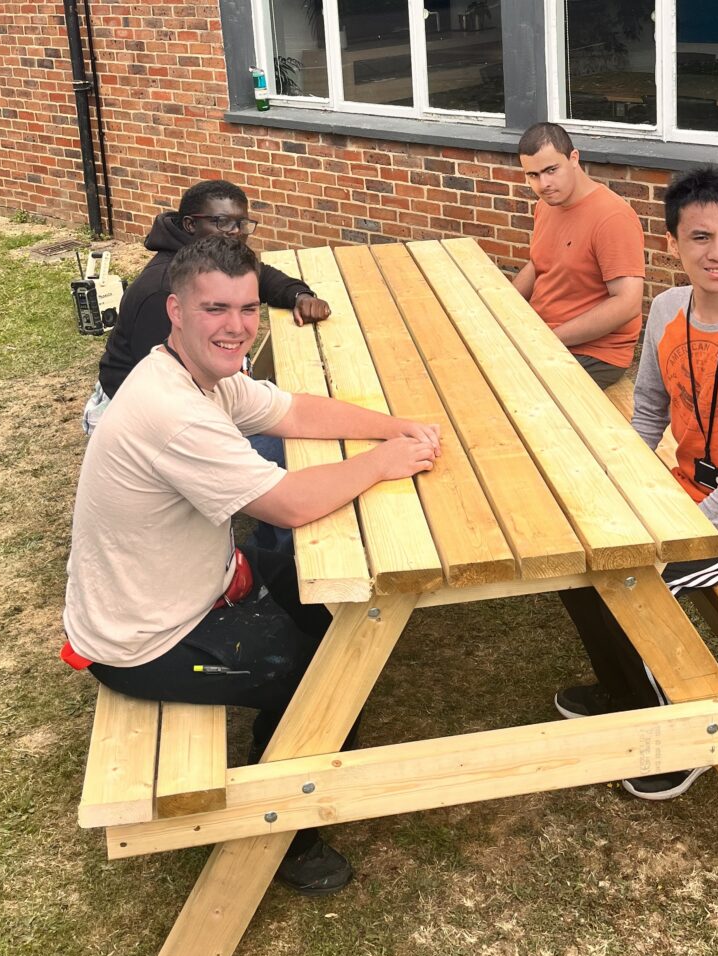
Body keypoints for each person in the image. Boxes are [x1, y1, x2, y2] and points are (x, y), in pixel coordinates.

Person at [62, 234, 441, 892]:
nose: (235, 326)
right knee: (323, 676)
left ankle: (297, 757)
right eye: (215, 310)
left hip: (174, 591)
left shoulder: (193, 372)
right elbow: (290, 503)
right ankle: (284, 839)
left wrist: (392, 426)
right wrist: (384, 462)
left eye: (246, 308)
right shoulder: (174, 411)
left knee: (316, 596)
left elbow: (293, 412)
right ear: (175, 312)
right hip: (144, 638)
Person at [553, 165, 718, 801]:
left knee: (638, 585)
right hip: (683, 495)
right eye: (700, 238)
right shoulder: (666, 309)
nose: (717, 253)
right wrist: (627, 488)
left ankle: (674, 742)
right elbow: (646, 414)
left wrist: (696, 526)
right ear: (673, 244)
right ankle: (623, 696)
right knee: (580, 571)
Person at [82, 178, 331, 433]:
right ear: (191, 224)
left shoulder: (216, 258)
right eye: (223, 222)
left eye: (241, 223)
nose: (236, 231)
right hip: (141, 413)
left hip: (194, 396)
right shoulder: (161, 291)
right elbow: (163, 389)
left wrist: (300, 295)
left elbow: (262, 275)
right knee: (289, 441)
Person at [511, 122, 645, 389]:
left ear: (574, 158)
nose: (544, 184)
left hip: (595, 353)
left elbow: (627, 303)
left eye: (551, 170)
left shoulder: (612, 217)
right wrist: (503, 307)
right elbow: (540, 264)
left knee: (507, 388)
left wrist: (547, 339)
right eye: (533, 175)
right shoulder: (547, 205)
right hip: (545, 333)